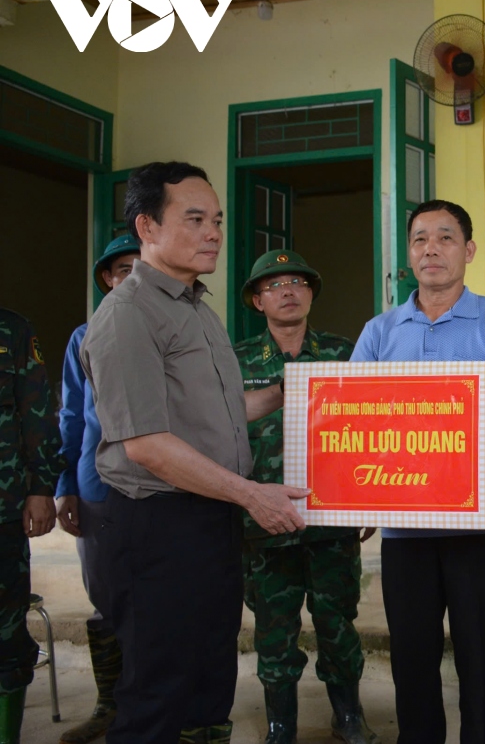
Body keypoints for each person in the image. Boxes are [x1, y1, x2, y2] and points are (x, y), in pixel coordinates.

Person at [80, 161, 309, 744]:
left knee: (207, 684)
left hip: (209, 518)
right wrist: (251, 494)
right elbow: (148, 444)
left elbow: (226, 413)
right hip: (157, 526)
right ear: (147, 227)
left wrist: (296, 392)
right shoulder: (128, 315)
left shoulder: (196, 311)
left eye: (218, 220)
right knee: (157, 693)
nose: (214, 233)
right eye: (196, 219)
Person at [351, 199, 485, 744]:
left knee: (481, 661)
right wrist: (354, 498)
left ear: (469, 250)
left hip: (478, 530)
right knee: (412, 661)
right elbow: (350, 414)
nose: (430, 249)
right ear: (409, 253)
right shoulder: (381, 331)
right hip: (404, 533)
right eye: (419, 239)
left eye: (445, 238)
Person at [233, 249, 378, 744]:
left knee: (338, 620)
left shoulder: (346, 353)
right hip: (265, 523)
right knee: (274, 629)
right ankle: (280, 726)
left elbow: (371, 429)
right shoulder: (235, 360)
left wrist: (369, 499)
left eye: (297, 281)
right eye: (274, 285)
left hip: (332, 520)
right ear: (257, 300)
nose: (287, 291)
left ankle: (349, 715)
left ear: (312, 292)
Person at [55, 234, 139, 744]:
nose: (131, 277)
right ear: (107, 278)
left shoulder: (171, 332)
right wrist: (63, 485)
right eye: (121, 269)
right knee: (106, 600)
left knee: (154, 602)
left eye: (140, 267)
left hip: (160, 488)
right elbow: (70, 415)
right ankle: (111, 704)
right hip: (97, 489)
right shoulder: (83, 337)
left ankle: (152, 705)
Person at [0, 309, 62, 741]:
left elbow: (37, 412)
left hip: (2, 511)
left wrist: (42, 487)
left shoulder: (14, 330)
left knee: (6, 635)